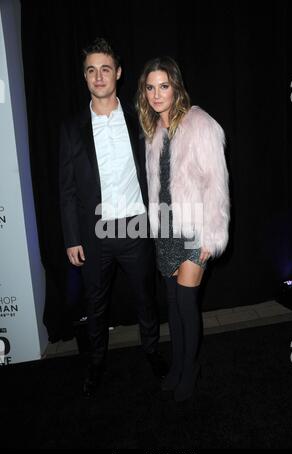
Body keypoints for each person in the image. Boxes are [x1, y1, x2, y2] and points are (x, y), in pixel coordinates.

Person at [59, 38, 167, 398]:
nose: (99, 76)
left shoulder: (140, 118)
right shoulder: (72, 128)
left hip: (136, 227)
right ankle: (96, 364)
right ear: (85, 76)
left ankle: (152, 352)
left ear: (118, 73)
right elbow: (67, 189)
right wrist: (72, 237)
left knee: (145, 300)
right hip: (93, 234)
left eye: (105, 68)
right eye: (91, 70)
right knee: (95, 305)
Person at [136, 57, 230, 402]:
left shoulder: (200, 123)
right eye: (150, 87)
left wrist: (211, 235)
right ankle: (177, 365)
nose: (157, 94)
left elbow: (216, 185)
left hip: (195, 228)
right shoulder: (154, 131)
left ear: (176, 87)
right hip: (166, 231)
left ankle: (190, 369)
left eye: (164, 86)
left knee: (187, 302)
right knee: (173, 304)